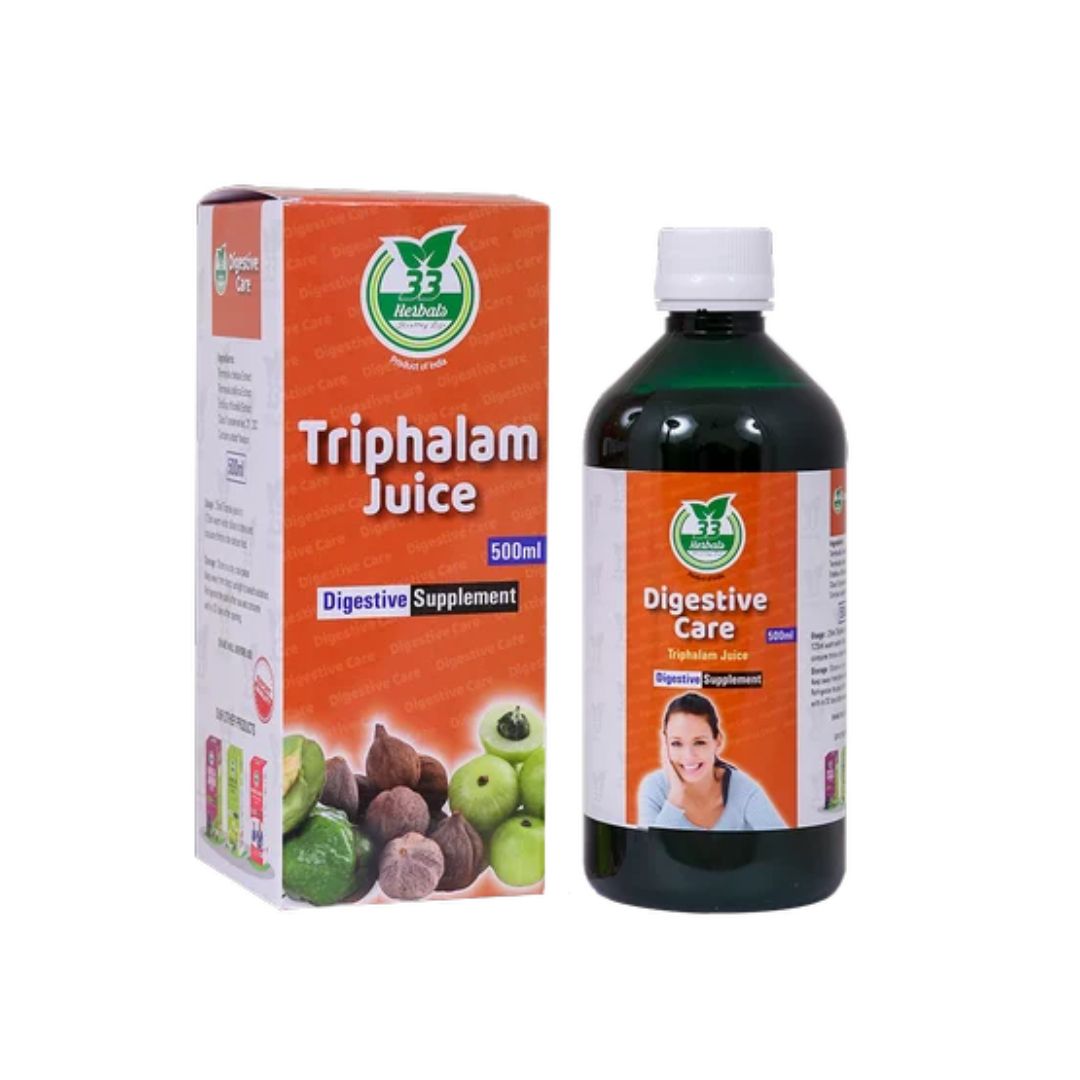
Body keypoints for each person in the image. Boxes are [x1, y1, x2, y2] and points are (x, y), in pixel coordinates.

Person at [638, 692, 785, 830]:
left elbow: (784, 844)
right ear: (665, 744)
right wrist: (675, 799)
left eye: (699, 742)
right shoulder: (654, 788)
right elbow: (646, 848)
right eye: (676, 743)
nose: (688, 756)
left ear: (718, 741)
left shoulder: (744, 790)